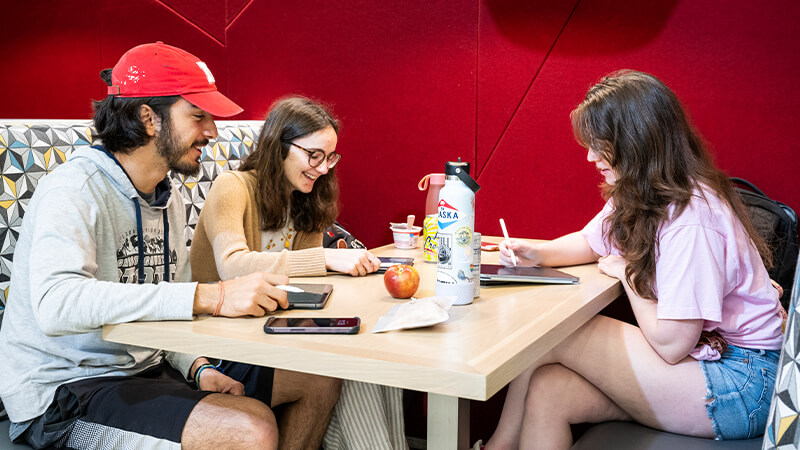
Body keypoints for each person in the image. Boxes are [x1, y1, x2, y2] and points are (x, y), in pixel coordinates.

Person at [0, 42, 340, 449]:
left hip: (149, 369)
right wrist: (209, 296)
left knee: (317, 377)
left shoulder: (169, 196)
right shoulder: (74, 189)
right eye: (198, 117)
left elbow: (166, 311)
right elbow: (57, 304)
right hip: (64, 393)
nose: (212, 131)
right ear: (149, 118)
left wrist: (196, 367)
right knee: (250, 427)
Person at [483, 70, 784, 449]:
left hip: (742, 381)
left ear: (636, 142)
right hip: (710, 361)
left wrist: (628, 274)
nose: (590, 156)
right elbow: (592, 242)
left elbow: (672, 345)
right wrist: (536, 251)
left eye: (600, 144)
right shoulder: (642, 191)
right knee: (548, 390)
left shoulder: (692, 220)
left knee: (552, 335)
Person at [190, 96, 408, 449]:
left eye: (330, 158)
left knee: (374, 364)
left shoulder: (306, 199)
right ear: (280, 147)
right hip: (220, 343)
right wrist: (325, 259)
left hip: (272, 331)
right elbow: (233, 265)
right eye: (315, 155)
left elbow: (306, 286)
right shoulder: (233, 186)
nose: (323, 169)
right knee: (331, 376)